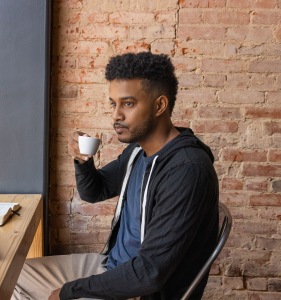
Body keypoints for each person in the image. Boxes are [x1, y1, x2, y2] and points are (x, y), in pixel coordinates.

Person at [13, 52, 219, 300]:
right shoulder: (138, 151)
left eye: (128, 104)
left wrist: (69, 291)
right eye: (114, 103)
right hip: (112, 265)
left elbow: (149, 274)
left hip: (139, 290)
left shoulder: (186, 170)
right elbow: (94, 192)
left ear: (159, 106)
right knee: (14, 276)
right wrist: (82, 160)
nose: (116, 115)